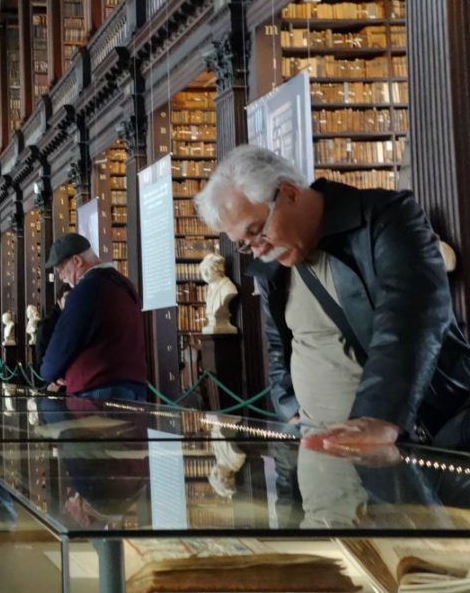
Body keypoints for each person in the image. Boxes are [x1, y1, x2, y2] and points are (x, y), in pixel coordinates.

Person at [194, 145, 470, 452]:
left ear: (290, 193)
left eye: (258, 231)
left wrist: (378, 416)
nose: (258, 250)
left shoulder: (384, 219)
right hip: (320, 457)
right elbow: (278, 346)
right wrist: (291, 409)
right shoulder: (272, 264)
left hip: (400, 444)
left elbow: (410, 317)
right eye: (244, 245)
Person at [40, 233, 147, 400]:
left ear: (77, 261)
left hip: (98, 389)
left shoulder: (86, 290)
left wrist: (49, 373)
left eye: (61, 268)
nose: (61, 276)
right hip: (134, 387)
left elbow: (65, 342)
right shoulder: (125, 285)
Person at [199, 253, 238, 334]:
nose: (205, 274)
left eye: (208, 269)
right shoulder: (209, 289)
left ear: (218, 270)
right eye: (203, 271)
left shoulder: (228, 288)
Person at [35, 286, 70, 368]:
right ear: (59, 302)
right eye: (67, 297)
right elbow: (41, 357)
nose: (71, 301)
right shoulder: (47, 324)